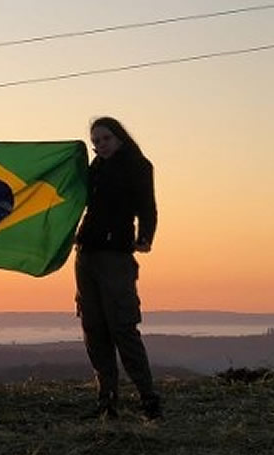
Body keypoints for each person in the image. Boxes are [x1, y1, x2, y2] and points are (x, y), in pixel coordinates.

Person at [74, 116, 162, 420]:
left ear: (119, 137)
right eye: (95, 141)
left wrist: (145, 237)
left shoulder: (138, 166)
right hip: (86, 254)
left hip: (115, 257)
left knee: (123, 328)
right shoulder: (94, 169)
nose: (100, 145)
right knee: (94, 328)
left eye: (105, 138)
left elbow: (147, 206)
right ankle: (107, 401)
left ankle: (148, 399)